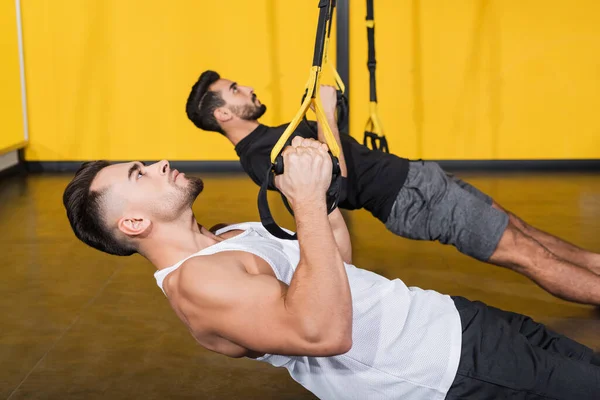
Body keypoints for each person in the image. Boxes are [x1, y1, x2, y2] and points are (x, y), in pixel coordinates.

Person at [63, 137, 599, 399]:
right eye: (139, 173)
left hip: (453, 323)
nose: (157, 163)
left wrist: (320, 195)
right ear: (133, 223)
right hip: (447, 369)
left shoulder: (227, 236)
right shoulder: (197, 283)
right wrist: (303, 202)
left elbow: (335, 268)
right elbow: (323, 330)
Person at [184, 70, 600, 306]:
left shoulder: (269, 136)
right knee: (528, 255)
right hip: (412, 200)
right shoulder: (259, 156)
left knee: (520, 230)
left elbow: (330, 151)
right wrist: (325, 110)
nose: (249, 87)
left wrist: (326, 111)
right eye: (236, 91)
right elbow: (334, 186)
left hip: (418, 180)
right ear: (223, 114)